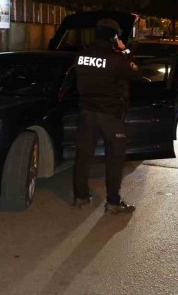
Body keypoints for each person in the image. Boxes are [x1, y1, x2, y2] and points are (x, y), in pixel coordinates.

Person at [72, 18, 143, 214]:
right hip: (110, 116)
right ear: (113, 37)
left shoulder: (81, 55)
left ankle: (80, 197)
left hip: (87, 114)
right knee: (114, 159)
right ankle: (113, 203)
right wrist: (125, 50)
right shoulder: (116, 58)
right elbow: (137, 73)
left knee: (83, 157)